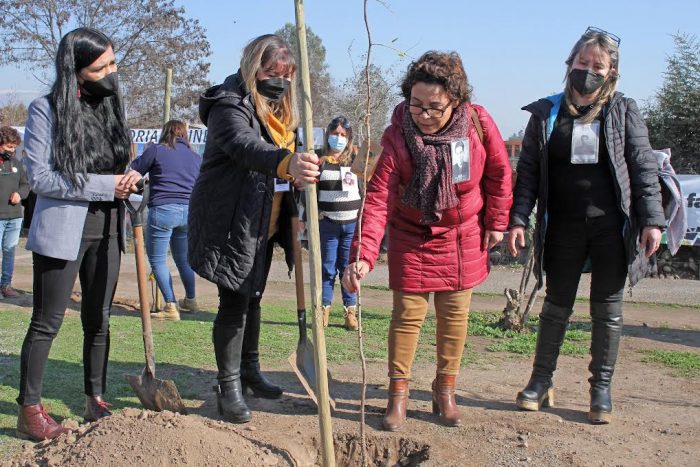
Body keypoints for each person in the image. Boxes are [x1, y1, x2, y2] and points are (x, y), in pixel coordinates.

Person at [343, 51, 513, 430]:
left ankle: (444, 391)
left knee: (454, 319)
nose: (423, 114)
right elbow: (377, 201)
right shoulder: (396, 139)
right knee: (406, 318)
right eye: (416, 104)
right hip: (412, 235)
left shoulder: (477, 125)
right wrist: (364, 256)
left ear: (455, 100)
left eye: (434, 107)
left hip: (462, 235)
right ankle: (397, 396)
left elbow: (500, 172)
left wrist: (497, 221)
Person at [507, 27, 664, 425]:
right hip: (562, 228)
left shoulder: (623, 111)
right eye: (582, 63)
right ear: (569, 64)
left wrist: (652, 221)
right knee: (556, 306)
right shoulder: (546, 113)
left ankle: (600, 391)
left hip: (612, 229)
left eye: (598, 66)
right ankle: (540, 382)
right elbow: (526, 173)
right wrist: (519, 218)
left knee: (607, 311)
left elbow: (644, 169)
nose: (588, 71)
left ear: (611, 72)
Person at [188, 34, 319, 424]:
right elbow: (245, 146)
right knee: (233, 303)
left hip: (266, 220)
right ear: (251, 67)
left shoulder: (281, 112)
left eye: (285, 75)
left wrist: (303, 168)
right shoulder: (228, 104)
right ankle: (227, 386)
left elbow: (286, 158)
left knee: (254, 297)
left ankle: (250, 369)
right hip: (231, 221)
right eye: (269, 72)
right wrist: (286, 163)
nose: (276, 81)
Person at [18, 27, 141, 441]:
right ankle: (30, 409)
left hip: (109, 226)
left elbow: (116, 167)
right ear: (76, 69)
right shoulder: (45, 110)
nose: (111, 71)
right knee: (47, 321)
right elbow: (42, 178)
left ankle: (95, 398)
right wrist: (107, 185)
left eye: (113, 61)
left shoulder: (110, 107)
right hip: (64, 229)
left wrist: (129, 180)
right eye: (101, 66)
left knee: (99, 319)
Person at [129, 120, 202, 320]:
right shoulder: (196, 157)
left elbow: (134, 170)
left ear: (166, 132)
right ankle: (191, 300)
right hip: (188, 211)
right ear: (185, 134)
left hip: (162, 209)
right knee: (183, 258)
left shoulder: (157, 150)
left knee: (158, 259)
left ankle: (170, 305)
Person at [316, 116, 361, 330]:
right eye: (335, 134)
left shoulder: (356, 158)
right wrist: (315, 212)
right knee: (327, 268)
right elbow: (307, 189)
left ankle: (349, 313)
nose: (339, 138)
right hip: (328, 225)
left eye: (343, 135)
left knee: (347, 269)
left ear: (349, 137)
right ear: (328, 135)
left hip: (352, 225)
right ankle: (323, 309)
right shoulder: (318, 158)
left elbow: (369, 186)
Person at [0, 126, 29, 297]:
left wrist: (20, 193)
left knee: (9, 251)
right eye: (9, 147)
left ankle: (6, 285)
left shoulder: (17, 164)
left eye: (14, 147)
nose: (12, 150)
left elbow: (26, 185)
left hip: (15, 217)